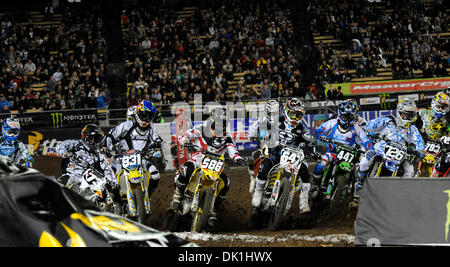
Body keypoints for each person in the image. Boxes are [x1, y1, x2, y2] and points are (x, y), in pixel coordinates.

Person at [169, 106, 246, 226]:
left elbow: (232, 150)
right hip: (198, 159)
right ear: (213, 120)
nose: (221, 124)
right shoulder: (201, 129)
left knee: (226, 183)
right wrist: (186, 143)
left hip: (215, 164)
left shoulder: (228, 138)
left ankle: (213, 207)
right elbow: (183, 135)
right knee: (186, 171)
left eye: (224, 122)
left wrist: (238, 158)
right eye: (219, 121)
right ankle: (177, 196)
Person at [250, 98, 319, 214]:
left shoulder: (301, 128)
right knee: (265, 165)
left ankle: (303, 202)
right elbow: (262, 128)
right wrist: (264, 139)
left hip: (292, 156)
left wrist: (314, 151)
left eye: (299, 115)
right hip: (275, 152)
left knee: (305, 172)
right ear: (287, 111)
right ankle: (258, 191)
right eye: (294, 114)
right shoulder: (276, 121)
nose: (296, 118)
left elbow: (311, 140)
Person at [353, 98, 425, 205]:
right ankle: (359, 185)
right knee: (365, 161)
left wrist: (420, 151)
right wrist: (370, 131)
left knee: (410, 170)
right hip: (380, 150)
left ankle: (401, 196)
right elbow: (370, 125)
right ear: (399, 112)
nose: (407, 118)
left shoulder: (412, 129)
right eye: (404, 115)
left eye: (410, 115)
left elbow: (419, 142)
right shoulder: (388, 120)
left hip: (401, 155)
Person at [311, 99, 374, 204]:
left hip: (349, 155)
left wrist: (371, 150)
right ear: (340, 114)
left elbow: (366, 140)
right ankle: (315, 184)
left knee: (358, 169)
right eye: (345, 117)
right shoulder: (333, 122)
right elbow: (320, 130)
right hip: (334, 152)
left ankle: (355, 194)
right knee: (323, 160)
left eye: (350, 117)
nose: (347, 120)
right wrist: (321, 135)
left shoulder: (356, 127)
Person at [105, 100, 163, 199]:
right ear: (139, 113)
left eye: (150, 117)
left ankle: (148, 195)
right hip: (122, 157)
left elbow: (157, 139)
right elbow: (111, 135)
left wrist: (157, 147)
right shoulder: (127, 125)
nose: (147, 119)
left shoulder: (152, 128)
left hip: (141, 158)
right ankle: (116, 200)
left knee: (155, 175)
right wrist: (106, 147)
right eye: (145, 116)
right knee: (110, 177)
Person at [55, 124, 121, 213]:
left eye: (98, 139)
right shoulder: (76, 144)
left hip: (89, 179)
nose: (96, 142)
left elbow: (107, 168)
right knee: (60, 183)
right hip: (73, 176)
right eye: (94, 138)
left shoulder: (98, 153)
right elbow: (60, 146)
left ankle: (103, 208)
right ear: (86, 137)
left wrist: (114, 182)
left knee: (105, 190)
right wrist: (65, 153)